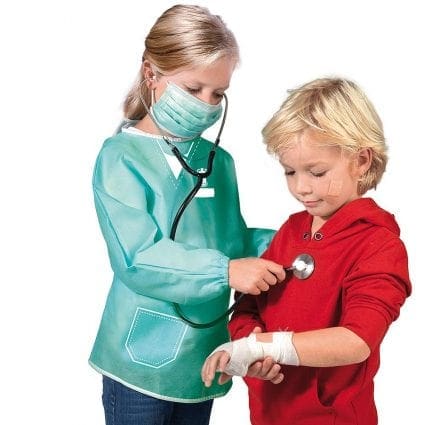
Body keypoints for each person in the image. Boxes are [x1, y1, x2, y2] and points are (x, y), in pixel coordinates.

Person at [89, 4, 285, 425]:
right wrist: (226, 271)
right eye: (193, 88)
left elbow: (231, 241)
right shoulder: (120, 158)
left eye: (217, 94)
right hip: (140, 359)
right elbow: (137, 257)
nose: (206, 104)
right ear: (151, 74)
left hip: (203, 356)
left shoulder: (218, 161)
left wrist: (293, 239)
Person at [201, 77, 412, 424]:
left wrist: (265, 345)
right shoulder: (291, 230)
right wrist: (249, 347)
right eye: (290, 171)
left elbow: (357, 340)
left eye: (317, 172)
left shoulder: (378, 245)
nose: (301, 187)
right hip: (269, 413)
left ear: (361, 160)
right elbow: (249, 306)